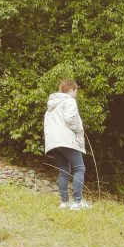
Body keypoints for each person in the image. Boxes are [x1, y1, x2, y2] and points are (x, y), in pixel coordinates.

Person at [44, 79, 91, 210]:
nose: (76, 93)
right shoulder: (69, 101)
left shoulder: (52, 105)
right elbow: (70, 119)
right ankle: (77, 202)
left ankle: (64, 202)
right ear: (71, 90)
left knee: (64, 171)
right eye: (76, 90)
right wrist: (79, 129)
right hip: (67, 140)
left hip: (54, 142)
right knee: (79, 168)